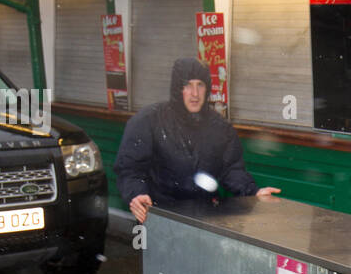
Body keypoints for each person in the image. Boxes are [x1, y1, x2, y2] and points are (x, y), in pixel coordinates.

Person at [114, 57, 278, 222]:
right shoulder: (149, 120)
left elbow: (231, 169)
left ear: (207, 89)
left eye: (200, 85)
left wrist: (253, 192)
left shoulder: (219, 127)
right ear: (178, 89)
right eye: (187, 85)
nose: (195, 93)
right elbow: (130, 170)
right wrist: (137, 195)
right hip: (160, 216)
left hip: (205, 217)